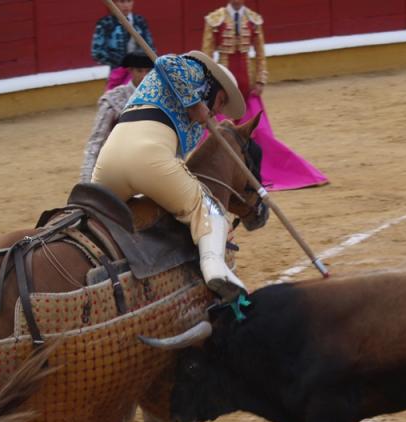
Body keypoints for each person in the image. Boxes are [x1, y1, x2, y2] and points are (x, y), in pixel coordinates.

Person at [91, 51, 247, 301]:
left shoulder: (193, 125)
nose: (217, 112)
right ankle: (217, 271)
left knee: (89, 216)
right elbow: (165, 62)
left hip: (109, 160)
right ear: (216, 90)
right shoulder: (197, 71)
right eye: (220, 103)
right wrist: (195, 103)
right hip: (150, 159)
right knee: (207, 210)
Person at [202, 1, 328, 191]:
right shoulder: (214, 20)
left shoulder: (254, 20)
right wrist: (210, 86)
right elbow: (207, 57)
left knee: (260, 134)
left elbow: (260, 54)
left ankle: (259, 173)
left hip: (248, 86)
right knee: (219, 134)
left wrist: (260, 80)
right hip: (225, 88)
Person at [80, 51, 154, 183]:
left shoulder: (160, 98)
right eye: (139, 71)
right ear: (130, 71)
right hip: (118, 167)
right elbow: (96, 142)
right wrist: (86, 181)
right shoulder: (114, 99)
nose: (144, 76)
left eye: (148, 71)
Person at [91, 0, 155, 91]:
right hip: (118, 74)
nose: (126, 5)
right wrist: (122, 64)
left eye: (129, 1)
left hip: (142, 74)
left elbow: (151, 48)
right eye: (121, 1)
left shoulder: (140, 21)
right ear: (113, 3)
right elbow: (97, 52)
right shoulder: (105, 23)